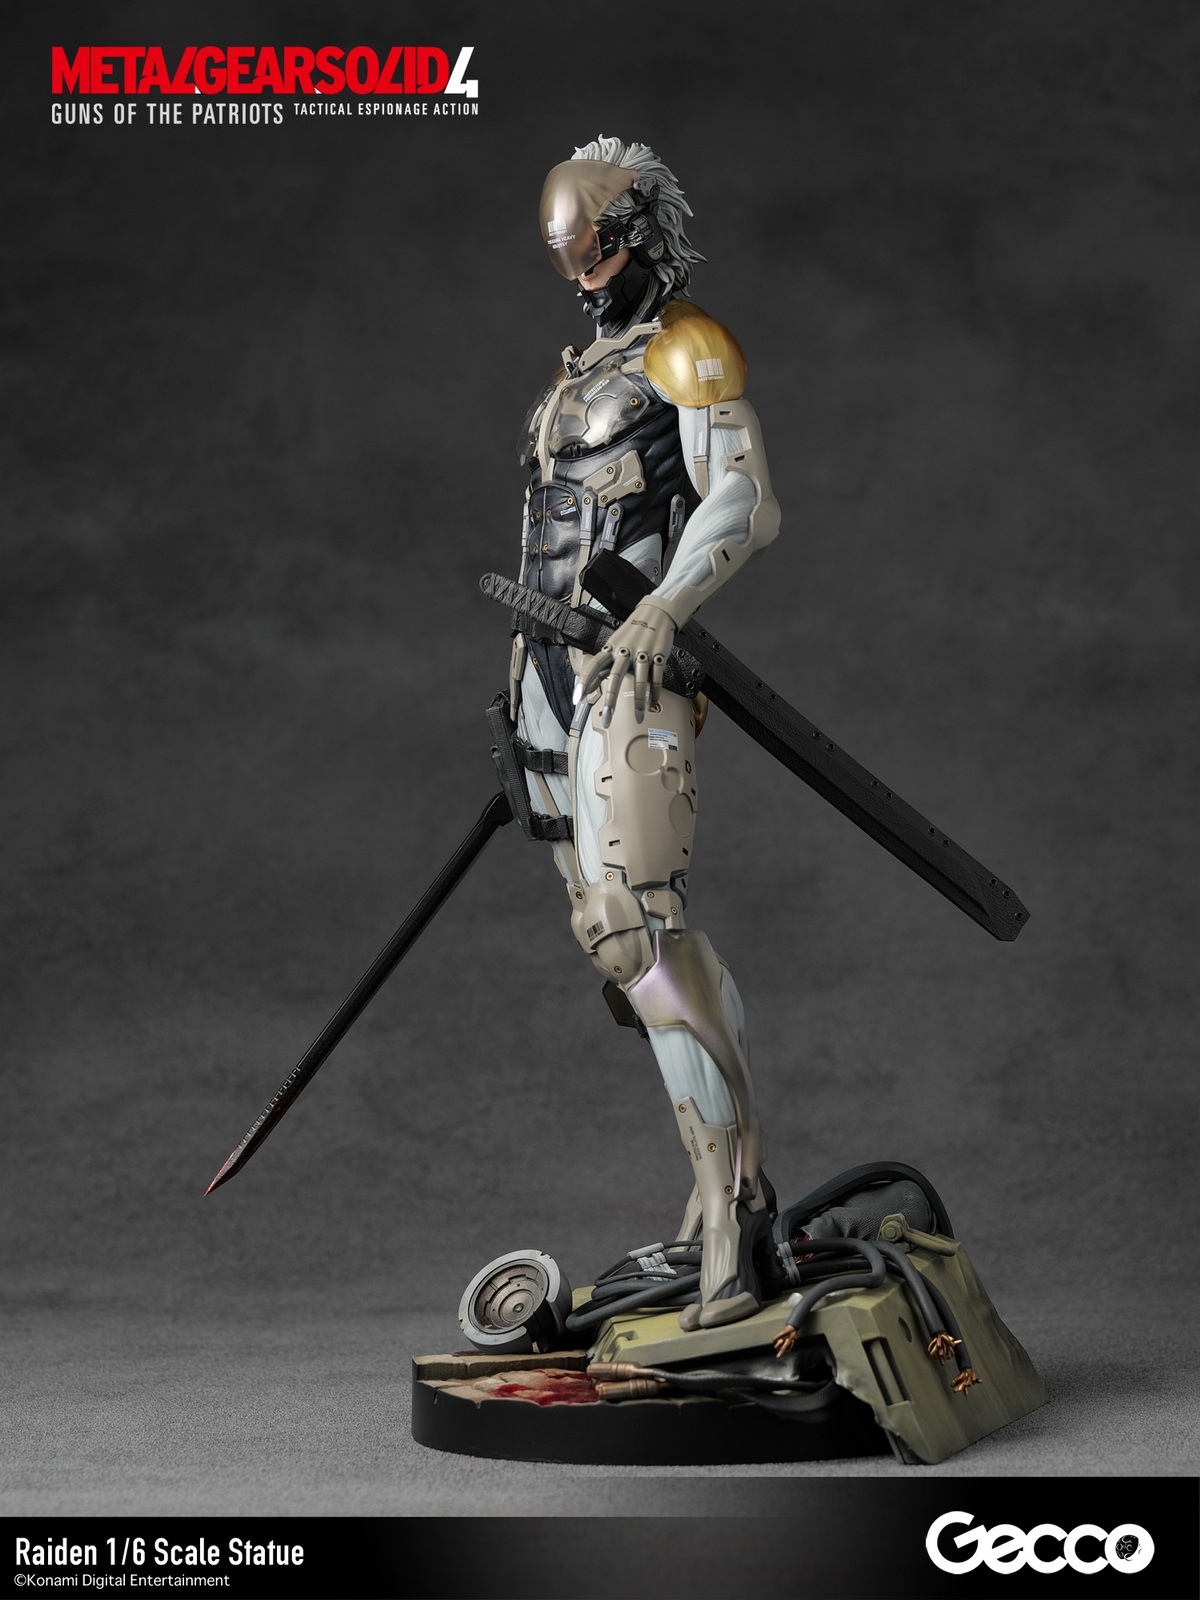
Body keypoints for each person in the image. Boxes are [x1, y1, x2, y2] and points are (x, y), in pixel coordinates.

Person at [507, 137, 781, 1329]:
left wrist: (666, 605)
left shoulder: (688, 344)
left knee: (641, 930)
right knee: (617, 949)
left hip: (630, 669)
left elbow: (744, 501)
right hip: (544, 671)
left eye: (599, 251)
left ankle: (735, 1209)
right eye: (570, 258)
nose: (585, 278)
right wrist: (523, 687)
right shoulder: (578, 371)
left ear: (638, 234)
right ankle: (716, 1182)